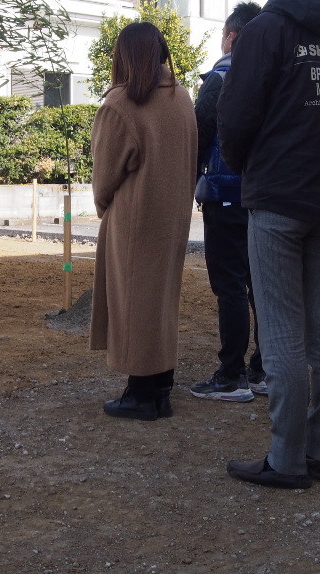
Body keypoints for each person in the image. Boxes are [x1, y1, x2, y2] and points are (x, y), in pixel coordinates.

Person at [217, 0, 320, 489]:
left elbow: (237, 118)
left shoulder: (264, 31)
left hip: (278, 195)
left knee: (280, 332)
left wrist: (250, 163)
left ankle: (287, 459)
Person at [90, 21, 198, 421]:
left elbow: (104, 179)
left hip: (134, 217)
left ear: (123, 56)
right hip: (173, 217)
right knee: (160, 300)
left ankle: (140, 393)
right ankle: (160, 388)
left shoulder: (120, 105)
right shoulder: (182, 97)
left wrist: (105, 208)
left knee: (133, 302)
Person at [190, 1, 265, 403]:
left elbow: (197, 135)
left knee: (231, 286)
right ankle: (263, 369)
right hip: (265, 196)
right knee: (262, 286)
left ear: (231, 36)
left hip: (224, 195)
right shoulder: (274, 76)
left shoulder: (220, 78)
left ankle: (230, 374)